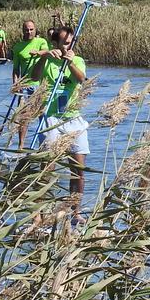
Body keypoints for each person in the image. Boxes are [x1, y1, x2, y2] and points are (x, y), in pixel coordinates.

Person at [30, 25, 88, 213]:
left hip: (73, 118)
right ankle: (40, 213)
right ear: (55, 43)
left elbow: (81, 79)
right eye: (63, 43)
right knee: (48, 166)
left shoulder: (77, 60)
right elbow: (34, 77)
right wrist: (44, 57)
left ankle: (76, 212)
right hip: (51, 118)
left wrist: (70, 63)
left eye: (70, 43)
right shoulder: (48, 60)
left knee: (78, 169)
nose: (67, 47)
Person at [10, 19, 49, 149]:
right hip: (25, 86)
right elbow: (16, 69)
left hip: (40, 84)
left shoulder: (41, 42)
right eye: (26, 29)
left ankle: (44, 144)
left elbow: (46, 52)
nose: (29, 32)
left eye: (31, 29)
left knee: (42, 114)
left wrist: (37, 53)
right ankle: (21, 145)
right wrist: (16, 84)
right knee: (23, 116)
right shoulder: (17, 47)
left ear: (35, 29)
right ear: (23, 30)